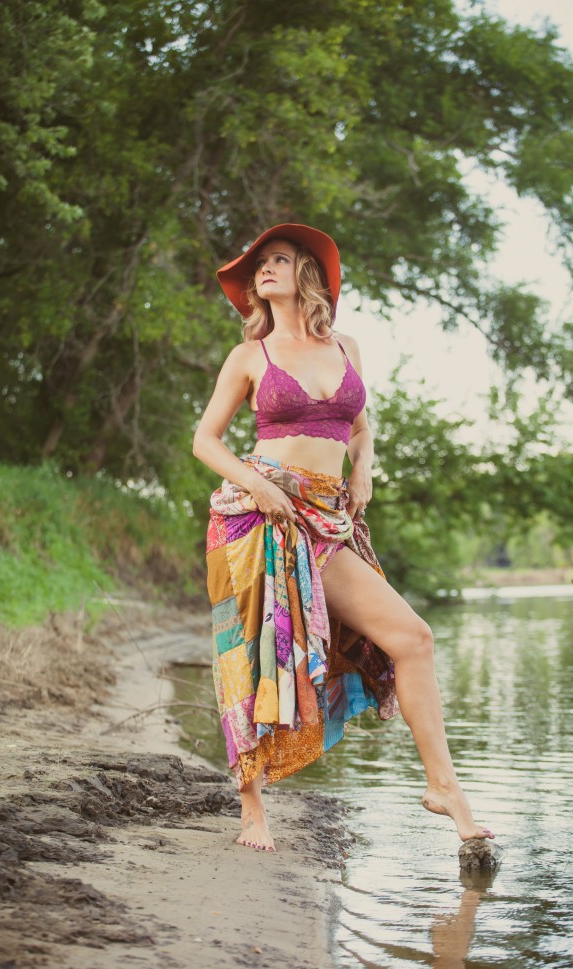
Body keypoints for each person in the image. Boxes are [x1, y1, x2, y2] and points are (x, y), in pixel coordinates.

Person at [192, 223, 494, 854]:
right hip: (258, 514)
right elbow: (205, 442)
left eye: (278, 259)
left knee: (412, 638)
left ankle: (446, 790)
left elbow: (359, 427)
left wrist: (363, 466)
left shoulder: (346, 346)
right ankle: (252, 809)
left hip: (329, 517)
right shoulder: (250, 357)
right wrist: (262, 486)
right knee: (248, 658)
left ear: (307, 273)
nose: (264, 270)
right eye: (258, 266)